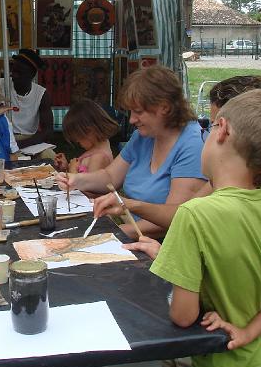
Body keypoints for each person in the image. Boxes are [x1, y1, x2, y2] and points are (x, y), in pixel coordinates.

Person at [150, 89, 261, 367]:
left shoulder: (193, 215)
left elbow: (182, 315)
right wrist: (247, 331)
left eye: (209, 127)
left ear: (223, 129)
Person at [98, 76, 261, 270]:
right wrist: (129, 205)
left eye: (213, 126)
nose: (206, 136)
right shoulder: (230, 175)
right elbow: (183, 213)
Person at [58, 65, 206, 239]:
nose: (132, 120)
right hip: (135, 235)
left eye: (138, 112)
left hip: (164, 248)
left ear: (164, 107)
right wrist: (76, 179)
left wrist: (113, 231)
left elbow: (176, 218)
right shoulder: (143, 136)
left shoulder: (193, 145)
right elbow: (110, 177)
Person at [5, 48, 54, 159]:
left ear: (31, 74)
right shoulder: (0, 85)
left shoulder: (42, 94)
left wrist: (21, 144)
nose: (13, 74)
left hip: (30, 140)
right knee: (16, 162)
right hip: (6, 138)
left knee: (50, 157)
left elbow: (48, 130)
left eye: (19, 72)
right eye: (13, 70)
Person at [54, 99, 118, 174]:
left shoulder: (99, 158)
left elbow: (90, 184)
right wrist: (66, 167)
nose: (77, 142)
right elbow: (84, 173)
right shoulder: (98, 148)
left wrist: (72, 170)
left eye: (78, 138)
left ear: (90, 131)